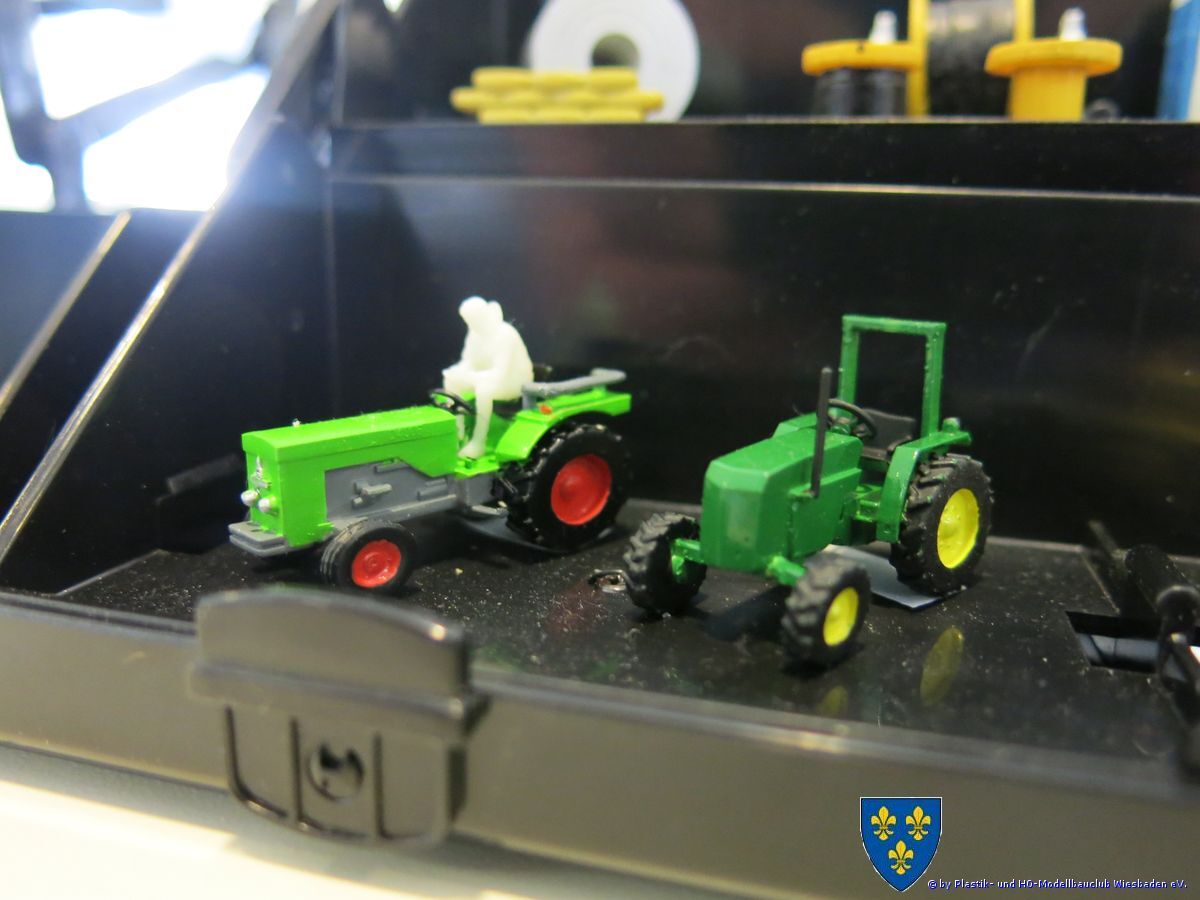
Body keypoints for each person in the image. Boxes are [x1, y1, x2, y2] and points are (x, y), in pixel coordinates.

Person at [441, 296, 534, 458]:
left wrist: (471, 377)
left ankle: (479, 442)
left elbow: (500, 373)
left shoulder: (505, 334)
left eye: (474, 319)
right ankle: (458, 433)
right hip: (484, 377)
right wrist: (457, 372)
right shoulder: (474, 333)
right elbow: (468, 361)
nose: (471, 324)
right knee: (452, 381)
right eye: (468, 320)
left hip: (514, 383)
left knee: (484, 390)